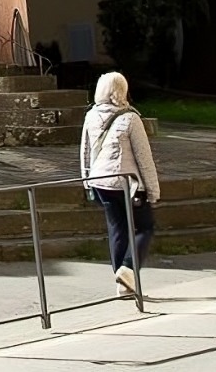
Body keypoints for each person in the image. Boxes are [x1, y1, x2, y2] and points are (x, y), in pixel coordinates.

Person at [80, 71, 159, 296]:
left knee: (118, 229)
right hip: (127, 183)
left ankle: (123, 283)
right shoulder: (130, 118)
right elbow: (144, 158)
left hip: (99, 181)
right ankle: (128, 269)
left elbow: (85, 152)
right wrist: (152, 190)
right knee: (145, 226)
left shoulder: (91, 116)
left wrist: (87, 182)